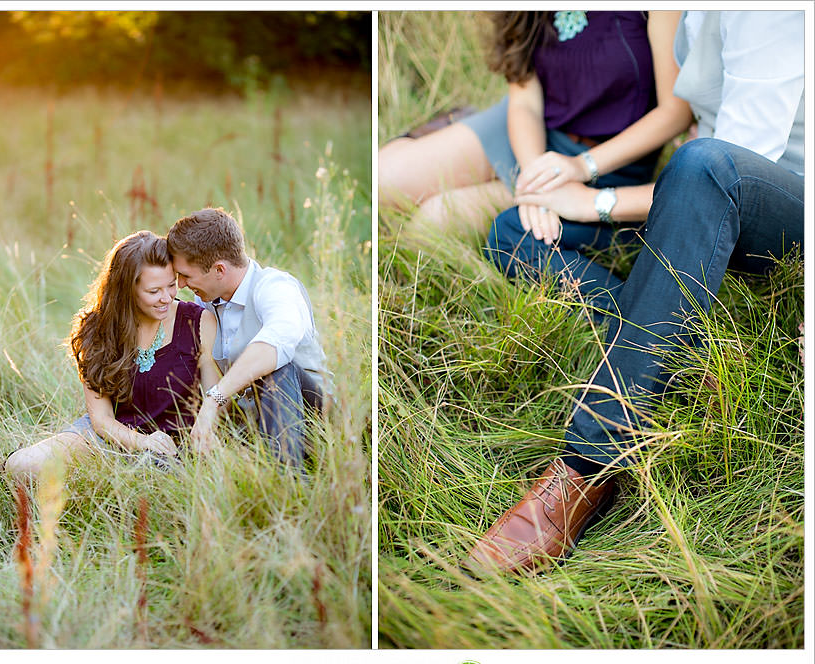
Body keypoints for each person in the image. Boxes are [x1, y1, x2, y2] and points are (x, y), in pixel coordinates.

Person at [466, 10, 804, 574]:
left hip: (780, 202)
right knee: (511, 232)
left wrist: (593, 200)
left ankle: (585, 466)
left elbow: (732, 168)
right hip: (698, 191)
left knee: (701, 164)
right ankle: (671, 346)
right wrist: (561, 185)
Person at [379, 9, 692, 262]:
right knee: (383, 179)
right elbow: (525, 101)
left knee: (430, 225)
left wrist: (581, 166)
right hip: (523, 130)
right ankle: (451, 126)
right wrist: (534, 177)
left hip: (606, 159)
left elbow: (676, 111)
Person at [3, 231, 221, 479]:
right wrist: (143, 442)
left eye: (171, 285)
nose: (166, 297)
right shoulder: (96, 328)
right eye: (153, 291)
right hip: (111, 436)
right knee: (22, 466)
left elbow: (213, 400)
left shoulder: (199, 322)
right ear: (127, 289)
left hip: (174, 445)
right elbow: (101, 419)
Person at [166, 207, 332, 472]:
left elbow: (274, 343)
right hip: (249, 429)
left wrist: (213, 400)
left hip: (314, 418)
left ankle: (289, 482)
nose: (182, 284)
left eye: (186, 275)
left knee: (276, 368)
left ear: (219, 269)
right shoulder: (205, 304)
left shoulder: (276, 288)